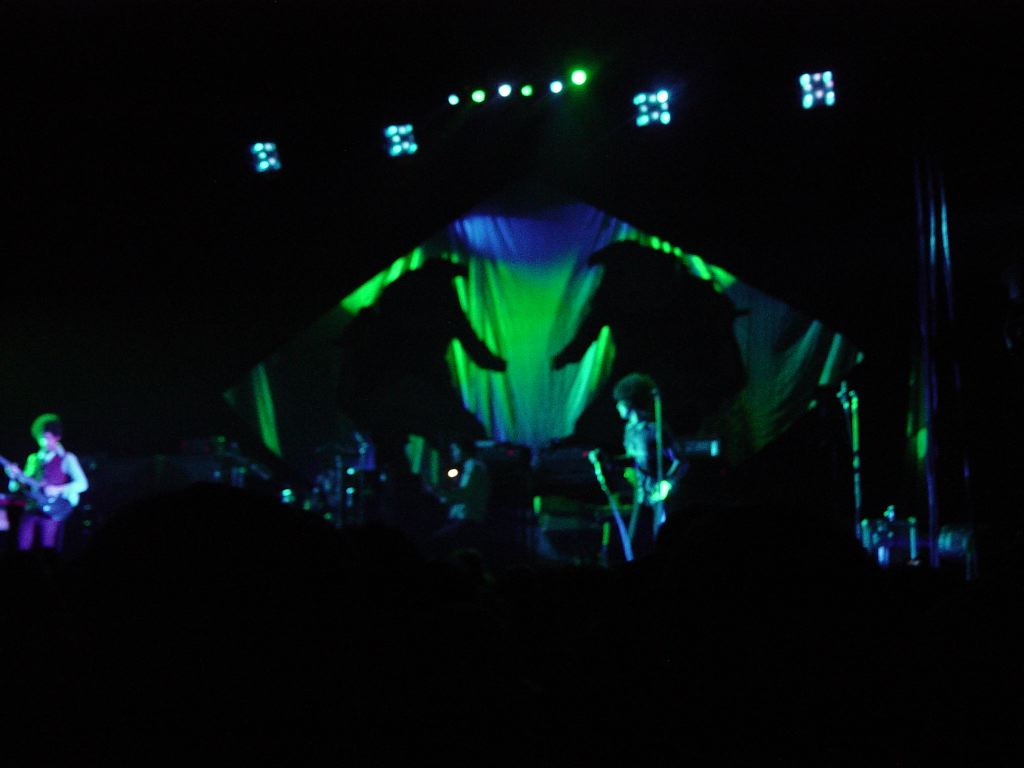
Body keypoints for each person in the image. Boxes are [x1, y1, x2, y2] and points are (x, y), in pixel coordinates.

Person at [611, 373, 687, 557]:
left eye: (620, 402)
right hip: (640, 495)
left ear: (629, 403)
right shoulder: (629, 429)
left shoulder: (655, 428)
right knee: (633, 545)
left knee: (661, 542)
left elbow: (681, 461)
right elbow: (634, 460)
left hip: (658, 496)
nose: (617, 406)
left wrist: (667, 483)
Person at [3, 413, 88, 551]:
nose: (43, 442)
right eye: (40, 437)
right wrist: (13, 477)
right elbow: (18, 487)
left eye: (47, 437)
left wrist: (58, 489)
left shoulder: (67, 458)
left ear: (57, 437)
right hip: (31, 508)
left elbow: (83, 484)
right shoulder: (33, 459)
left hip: (51, 512)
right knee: (22, 546)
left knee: (47, 549)